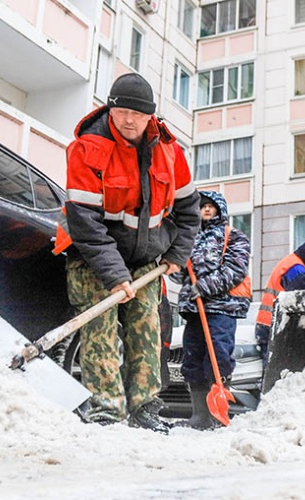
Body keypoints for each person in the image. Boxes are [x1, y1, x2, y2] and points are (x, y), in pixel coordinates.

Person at [57, 73, 201, 432]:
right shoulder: (87, 149)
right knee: (100, 332)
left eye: (137, 114)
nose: (128, 120)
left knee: (146, 329)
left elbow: (189, 213)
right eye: (121, 111)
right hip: (91, 257)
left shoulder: (170, 153)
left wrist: (177, 255)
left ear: (150, 116)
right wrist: (115, 275)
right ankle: (106, 411)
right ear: (110, 109)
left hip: (145, 259)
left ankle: (145, 409)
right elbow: (84, 223)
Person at [170, 191, 251, 429]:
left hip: (222, 308)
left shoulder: (233, 236)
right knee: (192, 359)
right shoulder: (189, 239)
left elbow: (236, 269)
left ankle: (218, 413)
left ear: (220, 209)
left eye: (210, 206)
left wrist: (204, 287)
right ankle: (199, 415)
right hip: (195, 309)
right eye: (201, 206)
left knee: (217, 356)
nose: (205, 209)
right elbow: (179, 274)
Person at [255, 237, 305, 368]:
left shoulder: (292, 264)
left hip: (269, 323)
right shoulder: (297, 271)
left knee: (275, 368)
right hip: (276, 325)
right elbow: (304, 303)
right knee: (280, 370)